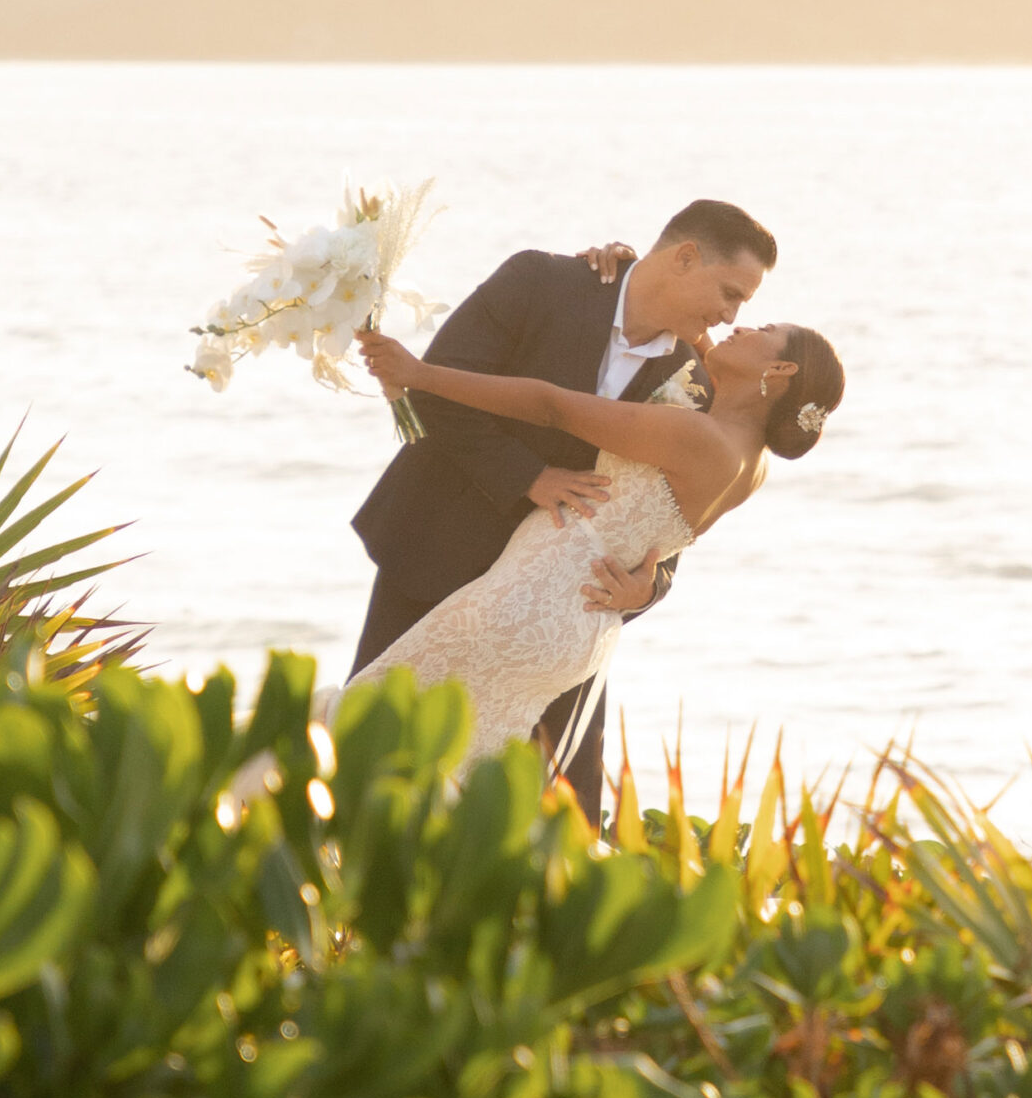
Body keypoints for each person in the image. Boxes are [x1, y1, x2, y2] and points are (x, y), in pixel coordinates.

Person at [345, 200, 779, 814]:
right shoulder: (540, 282)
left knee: (559, 805)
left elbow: (673, 511)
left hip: (560, 609)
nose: (730, 314)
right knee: (378, 751)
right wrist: (531, 477)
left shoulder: (701, 380)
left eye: (744, 306)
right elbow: (433, 388)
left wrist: (647, 589)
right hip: (440, 549)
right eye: (729, 292)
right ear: (685, 257)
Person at [347, 304, 845, 782]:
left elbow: (552, 408)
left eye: (762, 328)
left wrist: (420, 374)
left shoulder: (697, 438)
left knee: (366, 727)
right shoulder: (748, 463)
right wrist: (638, 274)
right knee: (453, 770)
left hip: (526, 603)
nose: (739, 327)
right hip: (576, 630)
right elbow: (715, 357)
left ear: (780, 368)